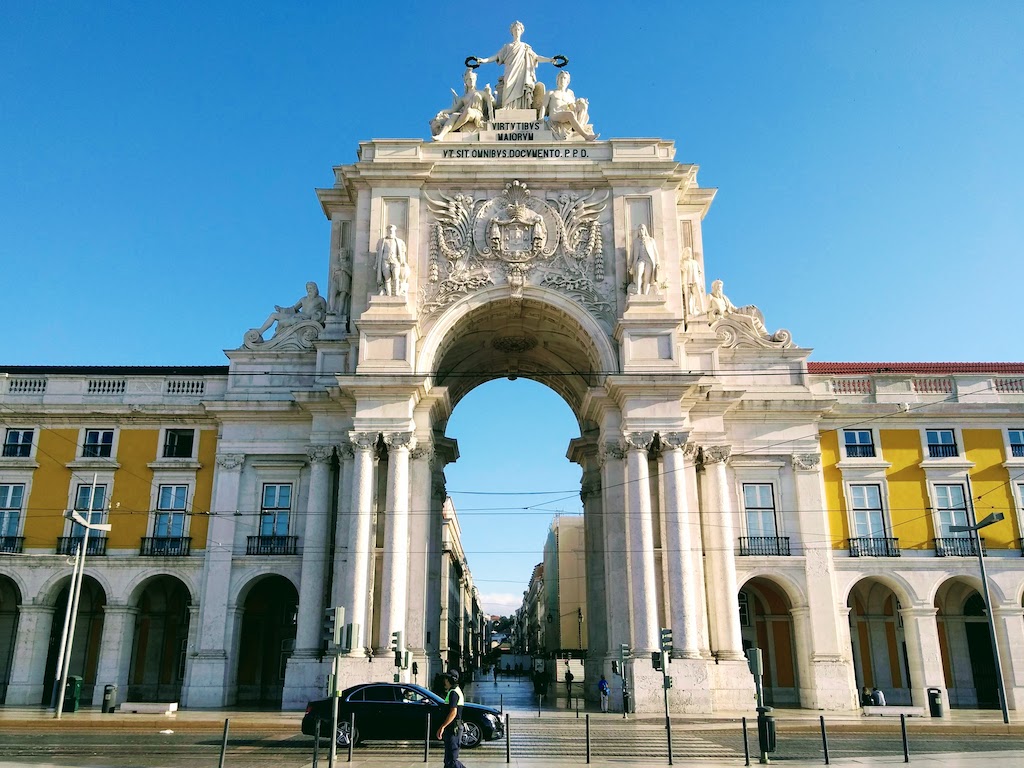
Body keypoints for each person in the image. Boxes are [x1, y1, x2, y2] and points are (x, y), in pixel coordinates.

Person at [472, 21, 556, 110]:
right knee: (508, 84)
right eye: (515, 29)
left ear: (521, 31)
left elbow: (536, 57)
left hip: (522, 73)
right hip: (510, 71)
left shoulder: (525, 47)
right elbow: (496, 56)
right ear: (512, 32)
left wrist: (550, 59)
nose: (517, 31)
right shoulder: (507, 47)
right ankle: (507, 107)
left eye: (518, 29)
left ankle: (523, 108)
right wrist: (483, 60)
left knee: (522, 88)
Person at [432, 69, 495, 141]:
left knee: (468, 111)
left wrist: (489, 95)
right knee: (454, 115)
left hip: (477, 114)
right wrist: (442, 111)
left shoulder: (481, 93)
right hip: (466, 114)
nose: (471, 81)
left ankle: (451, 130)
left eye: (473, 79)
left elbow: (493, 104)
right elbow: (453, 109)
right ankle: (441, 135)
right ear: (466, 81)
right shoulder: (464, 98)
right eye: (469, 79)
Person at [254, 281, 327, 338]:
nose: (309, 290)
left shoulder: (320, 300)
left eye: (310, 288)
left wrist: (317, 315)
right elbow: (294, 308)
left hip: (305, 319)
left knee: (281, 322)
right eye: (307, 288)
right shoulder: (303, 299)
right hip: (298, 316)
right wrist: (281, 309)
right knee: (273, 315)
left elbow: (325, 312)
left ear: (315, 288)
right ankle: (261, 331)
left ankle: (277, 337)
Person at [541, 71, 597, 141]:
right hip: (555, 115)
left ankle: (577, 128)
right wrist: (541, 118)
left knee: (583, 105)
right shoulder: (551, 92)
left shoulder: (570, 94)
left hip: (567, 116)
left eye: (564, 78)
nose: (562, 80)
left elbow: (573, 107)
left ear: (567, 81)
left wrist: (580, 104)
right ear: (557, 80)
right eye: (560, 78)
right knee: (570, 114)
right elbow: (544, 106)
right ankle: (586, 136)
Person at [438, 669, 466, 768]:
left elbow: (453, 712)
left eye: (445, 678)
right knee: (448, 760)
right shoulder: (455, 691)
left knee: (451, 760)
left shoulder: (454, 693)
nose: (444, 681)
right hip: (453, 727)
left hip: (453, 728)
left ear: (450, 679)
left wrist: (443, 726)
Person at [375, 224, 408, 296]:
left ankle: (396, 293)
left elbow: (402, 253)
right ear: (387, 231)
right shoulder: (382, 241)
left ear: (394, 231)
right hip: (385, 260)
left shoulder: (399, 241)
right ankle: (388, 294)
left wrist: (403, 261)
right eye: (389, 230)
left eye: (392, 231)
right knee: (387, 278)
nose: (390, 232)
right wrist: (376, 264)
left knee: (396, 276)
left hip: (395, 260)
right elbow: (378, 253)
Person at [630, 224, 659, 295]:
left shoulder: (651, 240)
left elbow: (655, 252)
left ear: (645, 230)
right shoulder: (635, 242)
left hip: (649, 261)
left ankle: (645, 294)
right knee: (639, 273)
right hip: (640, 260)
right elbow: (632, 254)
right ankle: (638, 291)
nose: (641, 231)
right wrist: (629, 264)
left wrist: (657, 262)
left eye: (642, 229)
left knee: (647, 279)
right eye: (639, 229)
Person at [680, 245, 706, 318]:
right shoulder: (682, 262)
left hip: (695, 281)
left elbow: (699, 273)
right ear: (684, 253)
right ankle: (689, 313)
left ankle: (701, 310)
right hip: (686, 281)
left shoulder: (695, 262)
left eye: (690, 252)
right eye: (687, 251)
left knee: (698, 295)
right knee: (687, 298)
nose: (689, 253)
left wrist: (701, 284)